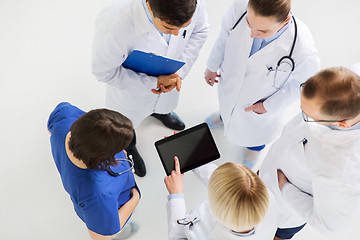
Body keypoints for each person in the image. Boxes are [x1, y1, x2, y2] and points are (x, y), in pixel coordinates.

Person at [92, 0, 209, 177]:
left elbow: (201, 31)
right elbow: (104, 72)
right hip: (129, 94)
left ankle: (161, 112)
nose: (178, 34)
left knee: (165, 104)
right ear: (148, 5)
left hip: (170, 80)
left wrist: (179, 74)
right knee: (125, 125)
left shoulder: (192, 3)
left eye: (184, 27)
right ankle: (128, 144)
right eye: (169, 28)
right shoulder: (114, 23)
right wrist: (152, 83)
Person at [204, 0, 319, 169]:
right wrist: (212, 66)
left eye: (262, 31)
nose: (251, 33)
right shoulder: (240, 7)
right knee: (229, 105)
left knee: (255, 131)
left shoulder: (303, 48)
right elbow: (224, 35)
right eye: (249, 23)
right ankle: (224, 116)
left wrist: (268, 106)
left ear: (285, 21)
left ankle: (254, 147)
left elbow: (305, 86)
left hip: (261, 102)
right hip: (230, 78)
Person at [259, 65, 360, 239]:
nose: (300, 110)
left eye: (308, 115)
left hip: (286, 204)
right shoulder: (348, 86)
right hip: (269, 173)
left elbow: (329, 226)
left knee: (278, 233)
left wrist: (285, 188)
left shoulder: (345, 171)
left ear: (343, 124)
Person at [47, 102, 140, 240]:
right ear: (103, 157)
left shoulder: (65, 115)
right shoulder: (97, 195)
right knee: (113, 227)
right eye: (117, 149)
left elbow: (51, 129)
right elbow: (100, 236)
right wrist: (135, 199)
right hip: (116, 207)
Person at [164, 157, 278, 239]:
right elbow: (232, 185)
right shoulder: (268, 199)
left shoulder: (204, 236)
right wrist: (194, 159)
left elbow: (177, 237)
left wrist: (176, 196)